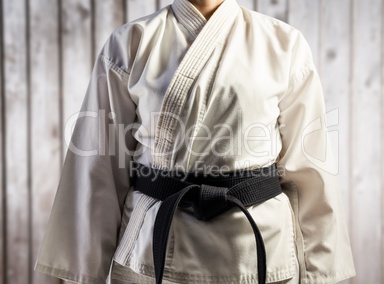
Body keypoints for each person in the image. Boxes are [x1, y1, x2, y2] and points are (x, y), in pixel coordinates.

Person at [34, 0, 356, 283]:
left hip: (257, 250)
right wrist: (85, 269)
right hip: (153, 249)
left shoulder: (284, 44)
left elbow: (308, 167)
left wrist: (319, 265)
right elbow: (99, 168)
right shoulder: (130, 43)